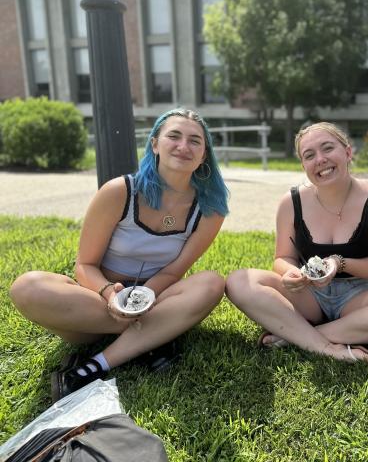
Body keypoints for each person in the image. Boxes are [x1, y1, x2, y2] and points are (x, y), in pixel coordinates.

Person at [10, 108, 229, 401]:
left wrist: (140, 301)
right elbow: (86, 265)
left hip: (156, 298)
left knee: (212, 283)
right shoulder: (119, 191)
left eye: (195, 141)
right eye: (173, 136)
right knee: (26, 287)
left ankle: (96, 365)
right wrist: (112, 297)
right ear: (155, 144)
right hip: (98, 304)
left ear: (204, 155)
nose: (183, 146)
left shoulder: (210, 209)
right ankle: (153, 336)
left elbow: (174, 272)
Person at [225, 122, 368, 364]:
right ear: (303, 165)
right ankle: (326, 346)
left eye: (327, 148)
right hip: (308, 295)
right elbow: (282, 258)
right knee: (239, 281)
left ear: (348, 152)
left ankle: (297, 336)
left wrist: (339, 264)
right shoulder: (291, 202)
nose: (320, 159)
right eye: (309, 155)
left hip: (357, 297)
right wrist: (292, 274)